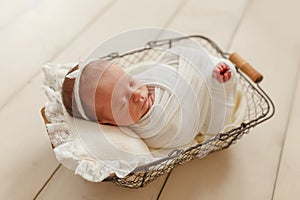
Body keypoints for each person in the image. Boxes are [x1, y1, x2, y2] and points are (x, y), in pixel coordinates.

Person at [62, 46, 237, 149]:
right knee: (216, 124)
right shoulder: (149, 131)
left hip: (191, 79)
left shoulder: (144, 85)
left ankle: (217, 73)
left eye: (130, 82)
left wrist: (176, 73)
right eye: (123, 103)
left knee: (192, 60)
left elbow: (161, 70)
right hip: (203, 113)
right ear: (108, 122)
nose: (138, 94)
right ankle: (221, 82)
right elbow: (180, 131)